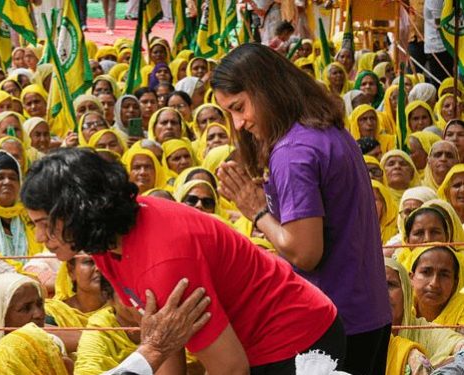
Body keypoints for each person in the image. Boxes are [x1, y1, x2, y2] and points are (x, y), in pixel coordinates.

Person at [22, 148, 345, 374]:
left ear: (75, 212)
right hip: (252, 344)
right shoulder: (107, 239)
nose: (38, 237)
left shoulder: (164, 262)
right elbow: (167, 340)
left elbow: (230, 369)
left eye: (41, 223)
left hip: (295, 340)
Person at [212, 44, 390, 374]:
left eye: (239, 107)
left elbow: (305, 252)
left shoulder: (292, 151)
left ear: (265, 90)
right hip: (368, 312)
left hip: (332, 322)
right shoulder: (324, 130)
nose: (237, 124)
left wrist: (256, 211)